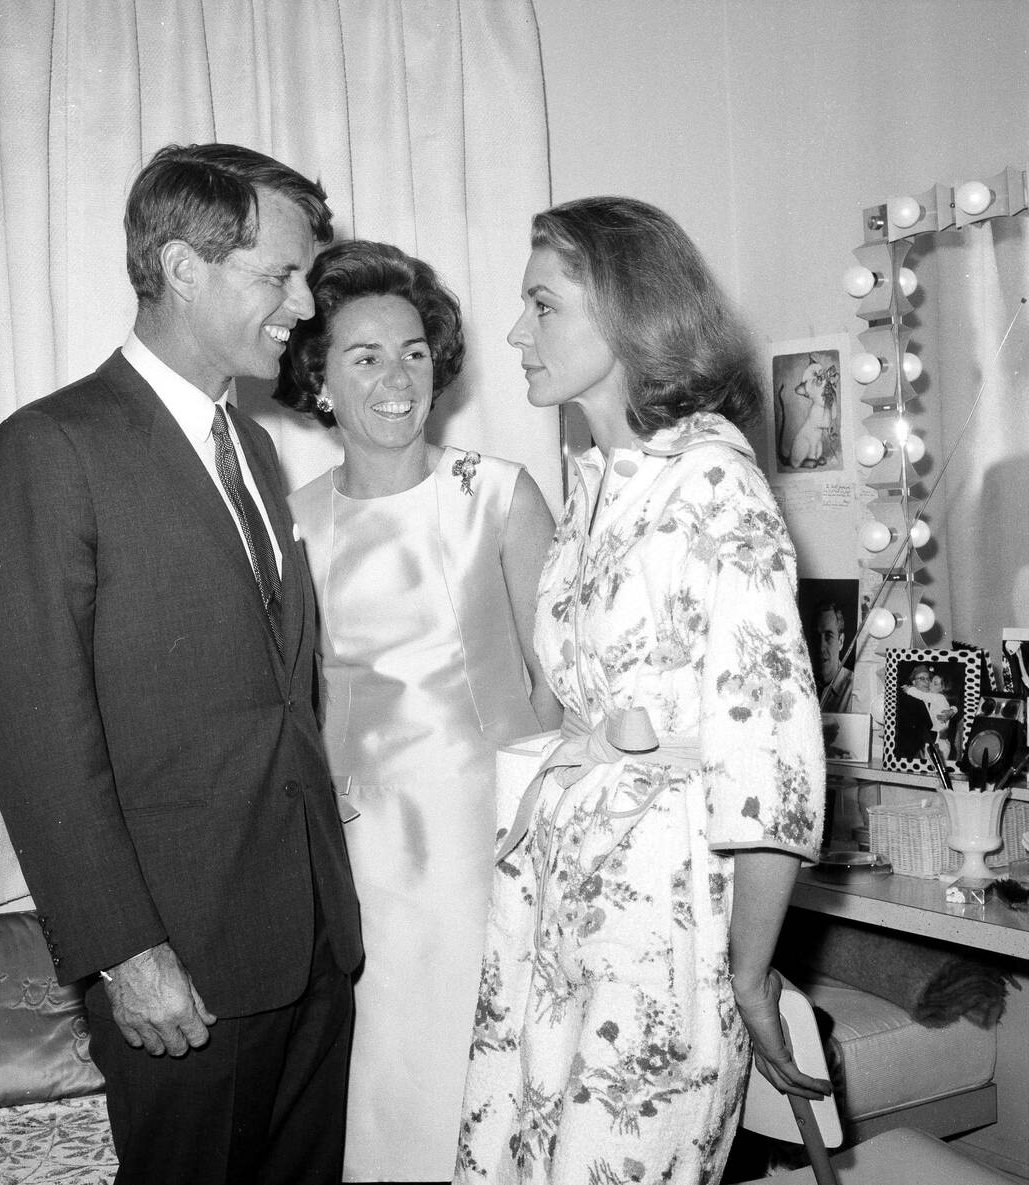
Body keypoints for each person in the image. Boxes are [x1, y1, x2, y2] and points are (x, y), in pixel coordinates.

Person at [0, 143, 363, 1185]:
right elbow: (36, 735)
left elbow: (280, 693)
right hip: (180, 961)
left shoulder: (260, 449)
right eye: (281, 275)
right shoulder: (50, 449)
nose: (306, 303)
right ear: (185, 268)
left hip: (311, 941)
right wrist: (125, 952)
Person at [456, 197, 830, 1185]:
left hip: (664, 925)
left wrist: (748, 969)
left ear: (625, 316)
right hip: (560, 904)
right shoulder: (595, 484)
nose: (514, 332)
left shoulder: (715, 486)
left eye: (543, 305)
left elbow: (772, 758)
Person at [273, 239, 560, 1183]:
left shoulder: (502, 496)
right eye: (363, 356)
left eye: (413, 351)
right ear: (319, 379)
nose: (396, 377)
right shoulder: (293, 523)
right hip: (370, 853)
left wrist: (542, 809)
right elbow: (291, 707)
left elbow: (566, 681)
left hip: (500, 835)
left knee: (500, 1081)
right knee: (391, 1087)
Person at [813, 600, 854, 712]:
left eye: (828, 636)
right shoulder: (801, 684)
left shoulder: (855, 690)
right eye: (816, 637)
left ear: (840, 642)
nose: (821, 647)